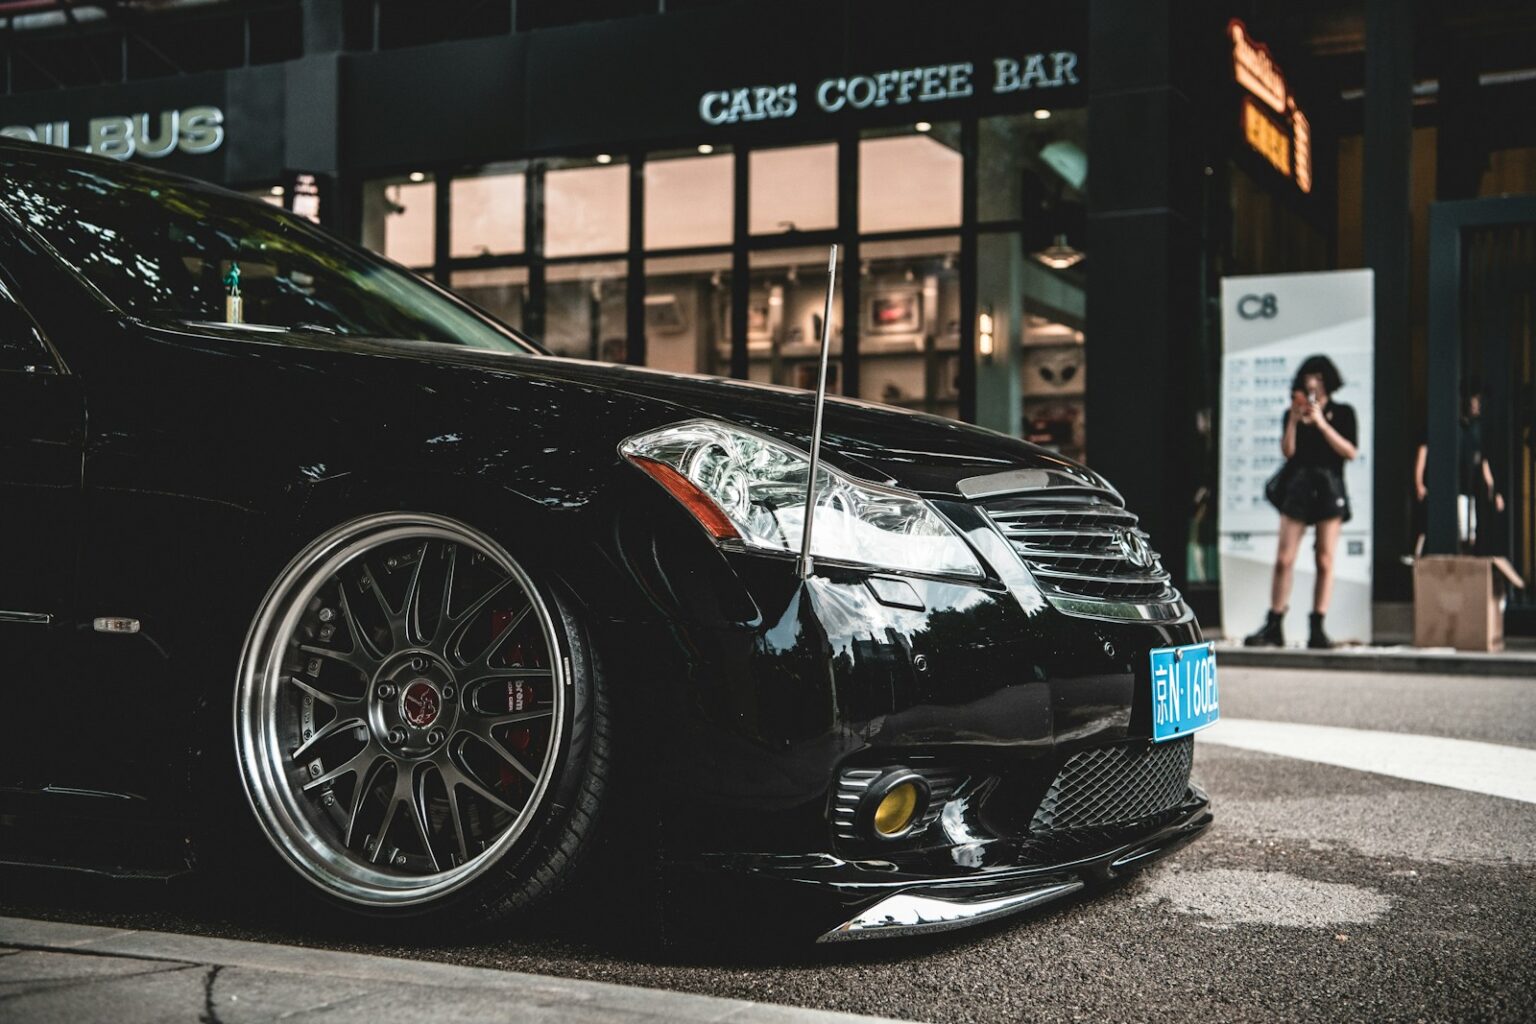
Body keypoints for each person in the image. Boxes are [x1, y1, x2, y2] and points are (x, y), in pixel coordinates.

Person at [1244, 355, 1359, 649]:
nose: (1313, 383)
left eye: (1319, 378)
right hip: (1298, 485)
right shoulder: (1293, 413)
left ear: (1328, 381)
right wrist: (1295, 421)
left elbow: (1349, 451)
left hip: (1329, 485)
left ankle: (1317, 626)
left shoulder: (1344, 413)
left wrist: (1321, 424)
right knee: (1284, 558)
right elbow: (1288, 452)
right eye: (1309, 378)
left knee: (1325, 558)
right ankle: (1274, 622)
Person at [1410, 387, 1504, 557]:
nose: (1477, 406)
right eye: (1475, 401)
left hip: (1466, 490)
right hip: (1445, 489)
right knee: (1434, 529)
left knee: (1468, 533)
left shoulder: (1474, 430)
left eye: (1479, 402)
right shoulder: (1443, 425)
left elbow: (1482, 461)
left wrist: (1493, 488)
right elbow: (1422, 452)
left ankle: (1462, 571)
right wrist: (1419, 483)